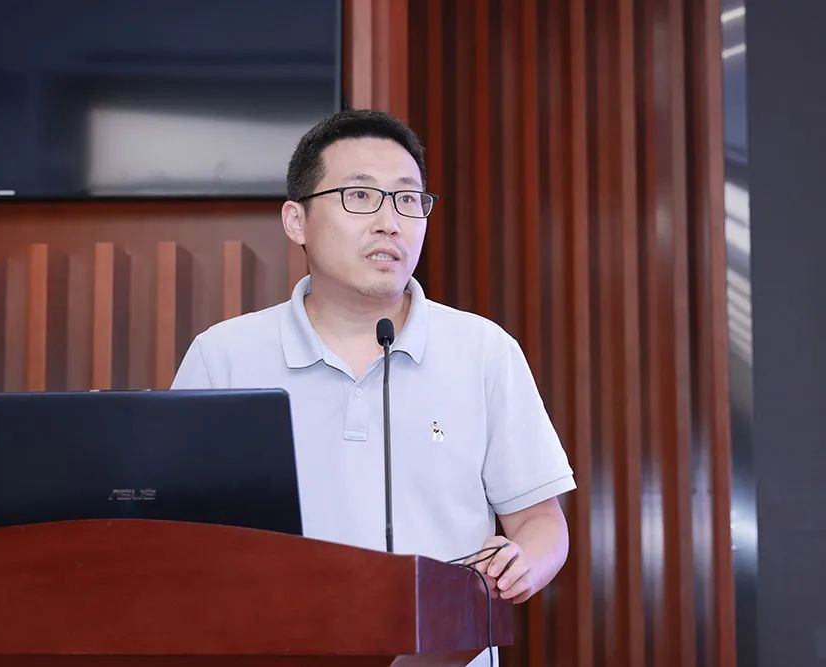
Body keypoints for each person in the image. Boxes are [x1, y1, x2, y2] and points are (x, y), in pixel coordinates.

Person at [171, 109, 575, 665]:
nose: (390, 222)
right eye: (360, 196)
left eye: (408, 199)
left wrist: (521, 564)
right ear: (296, 220)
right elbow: (176, 536)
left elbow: (540, 522)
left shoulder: (484, 351)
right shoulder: (223, 357)